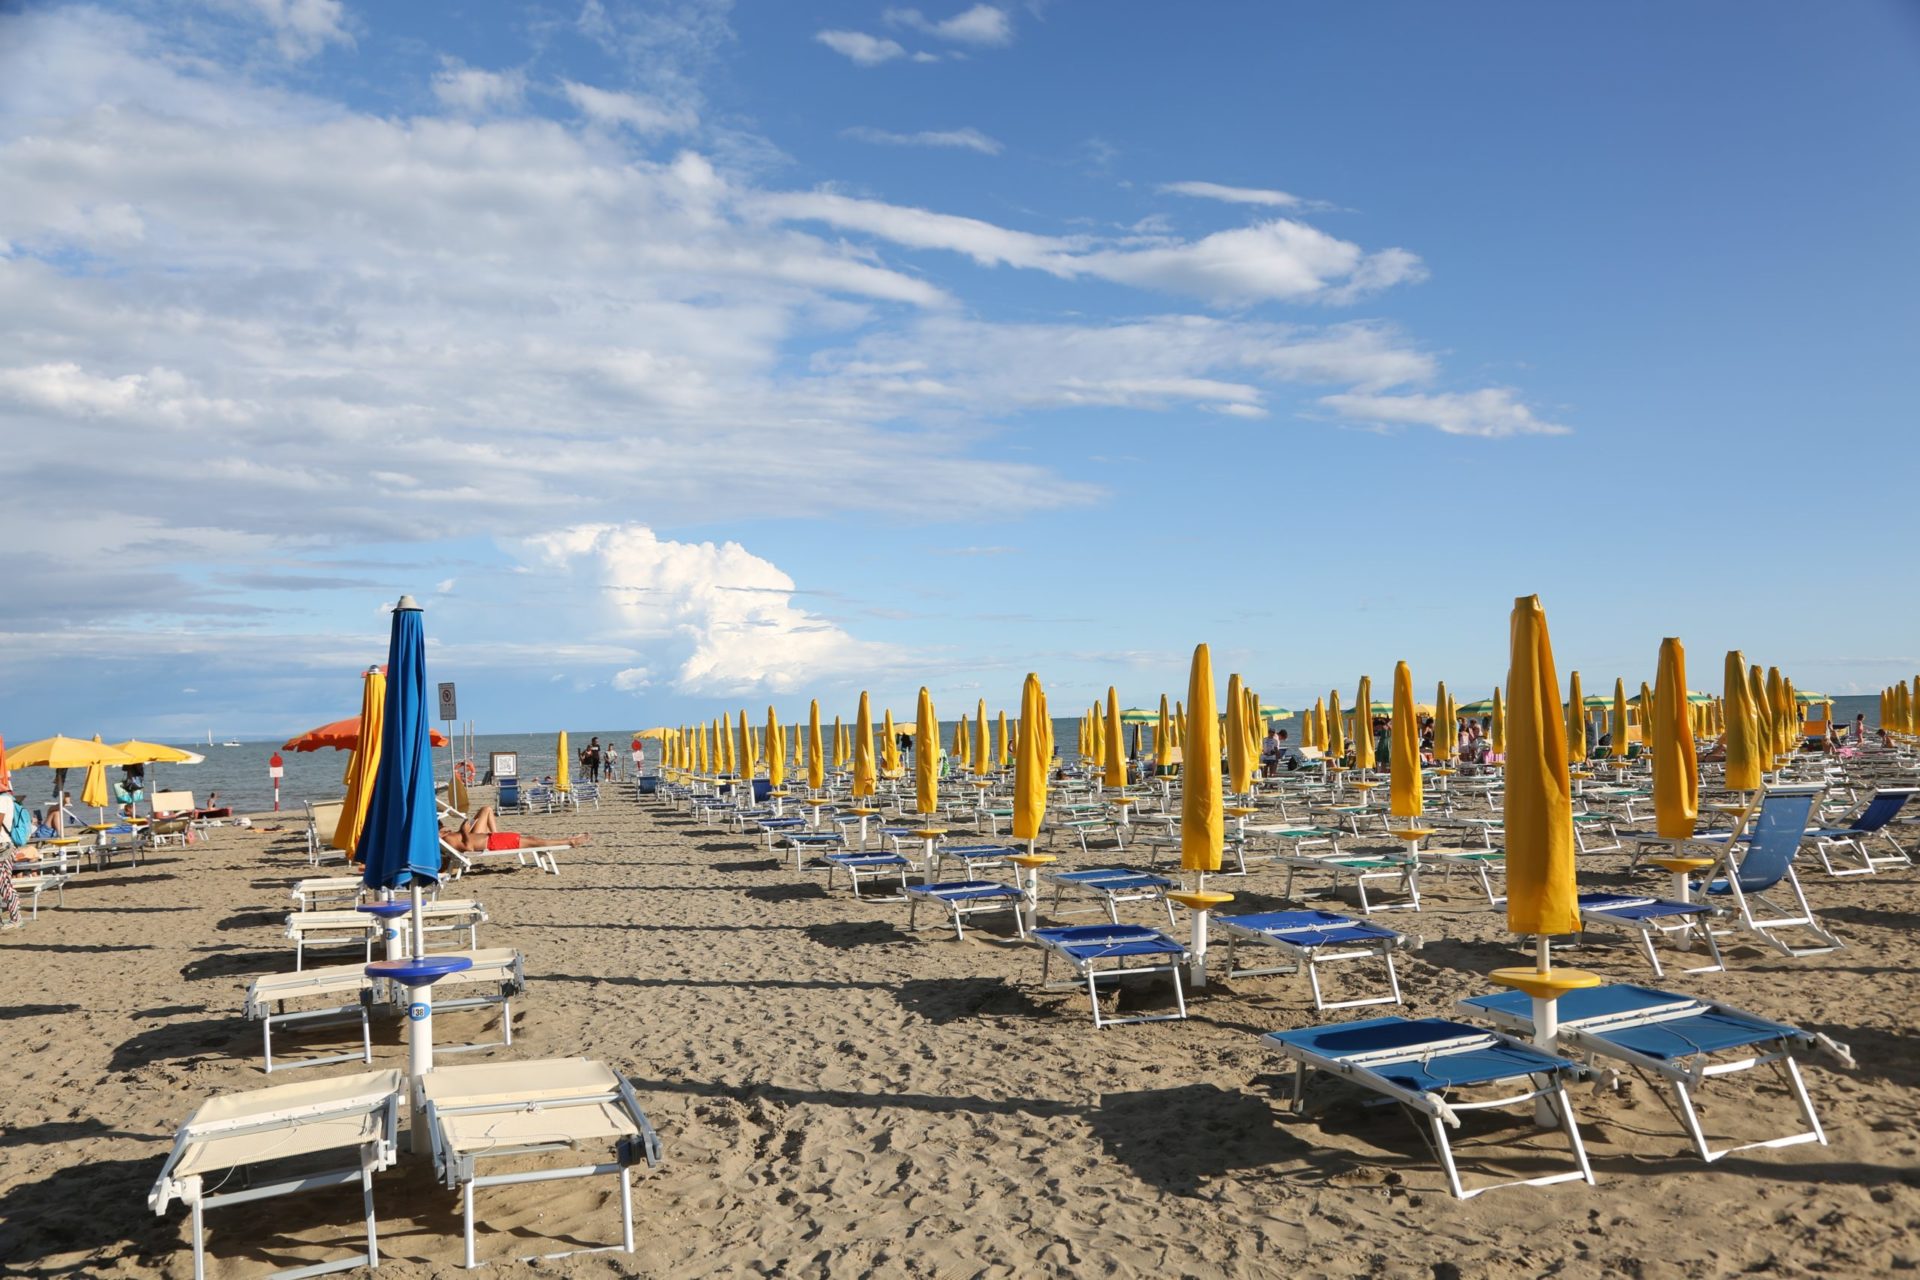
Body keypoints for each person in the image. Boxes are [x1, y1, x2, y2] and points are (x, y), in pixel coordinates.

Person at [440, 805, 592, 854]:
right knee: (533, 842)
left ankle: (569, 841)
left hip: (492, 839)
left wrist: (464, 830)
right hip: (492, 843)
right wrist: (464, 830)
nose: (444, 828)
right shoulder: (448, 839)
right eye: (441, 828)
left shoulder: (448, 837)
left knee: (532, 840)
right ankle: (570, 841)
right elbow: (468, 847)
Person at [0, 785, 23, 928]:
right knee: (4, 882)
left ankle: (16, 918)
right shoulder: (7, 798)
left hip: (3, 845)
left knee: (4, 883)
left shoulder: (2, 800)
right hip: (6, 844)